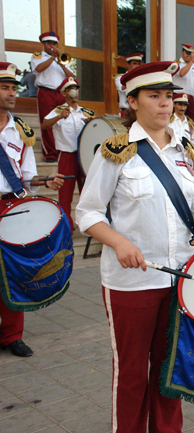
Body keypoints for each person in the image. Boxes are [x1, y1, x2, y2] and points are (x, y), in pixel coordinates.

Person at [74, 61, 194, 432]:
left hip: (180, 280)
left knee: (172, 370)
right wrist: (118, 241)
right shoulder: (115, 150)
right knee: (133, 372)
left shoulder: (186, 150)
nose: (165, 104)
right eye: (154, 96)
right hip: (133, 282)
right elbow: (86, 213)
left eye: (169, 96)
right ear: (133, 102)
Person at [0, 62, 66, 358]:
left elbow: (26, 176)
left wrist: (45, 180)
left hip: (10, 205)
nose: (12, 93)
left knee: (14, 272)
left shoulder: (22, 131)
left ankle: (12, 335)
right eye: (5, 88)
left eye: (14, 87)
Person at [41, 77, 94, 230]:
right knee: (65, 194)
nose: (74, 92)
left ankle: (88, 224)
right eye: (71, 89)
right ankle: (66, 226)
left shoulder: (85, 112)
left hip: (83, 155)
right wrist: (59, 116)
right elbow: (44, 125)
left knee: (87, 193)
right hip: (67, 155)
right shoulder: (58, 110)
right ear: (64, 93)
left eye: (76, 88)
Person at [31, 31, 76, 162]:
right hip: (46, 92)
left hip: (61, 94)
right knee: (47, 122)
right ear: (44, 44)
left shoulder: (61, 58)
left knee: (63, 121)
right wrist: (52, 58)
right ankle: (50, 153)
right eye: (49, 43)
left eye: (54, 43)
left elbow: (71, 77)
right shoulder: (38, 56)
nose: (52, 46)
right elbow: (38, 69)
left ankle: (63, 149)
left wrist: (60, 63)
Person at [172, 44, 194, 121]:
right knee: (176, 121)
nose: (189, 56)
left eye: (191, 54)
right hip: (178, 96)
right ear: (182, 52)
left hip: (190, 98)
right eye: (187, 53)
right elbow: (181, 73)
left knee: (190, 122)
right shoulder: (176, 64)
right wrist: (191, 61)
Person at [115, 53, 144, 118]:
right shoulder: (119, 78)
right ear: (128, 65)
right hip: (126, 112)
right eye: (134, 63)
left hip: (140, 111)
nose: (137, 66)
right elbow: (122, 88)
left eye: (139, 64)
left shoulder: (142, 78)